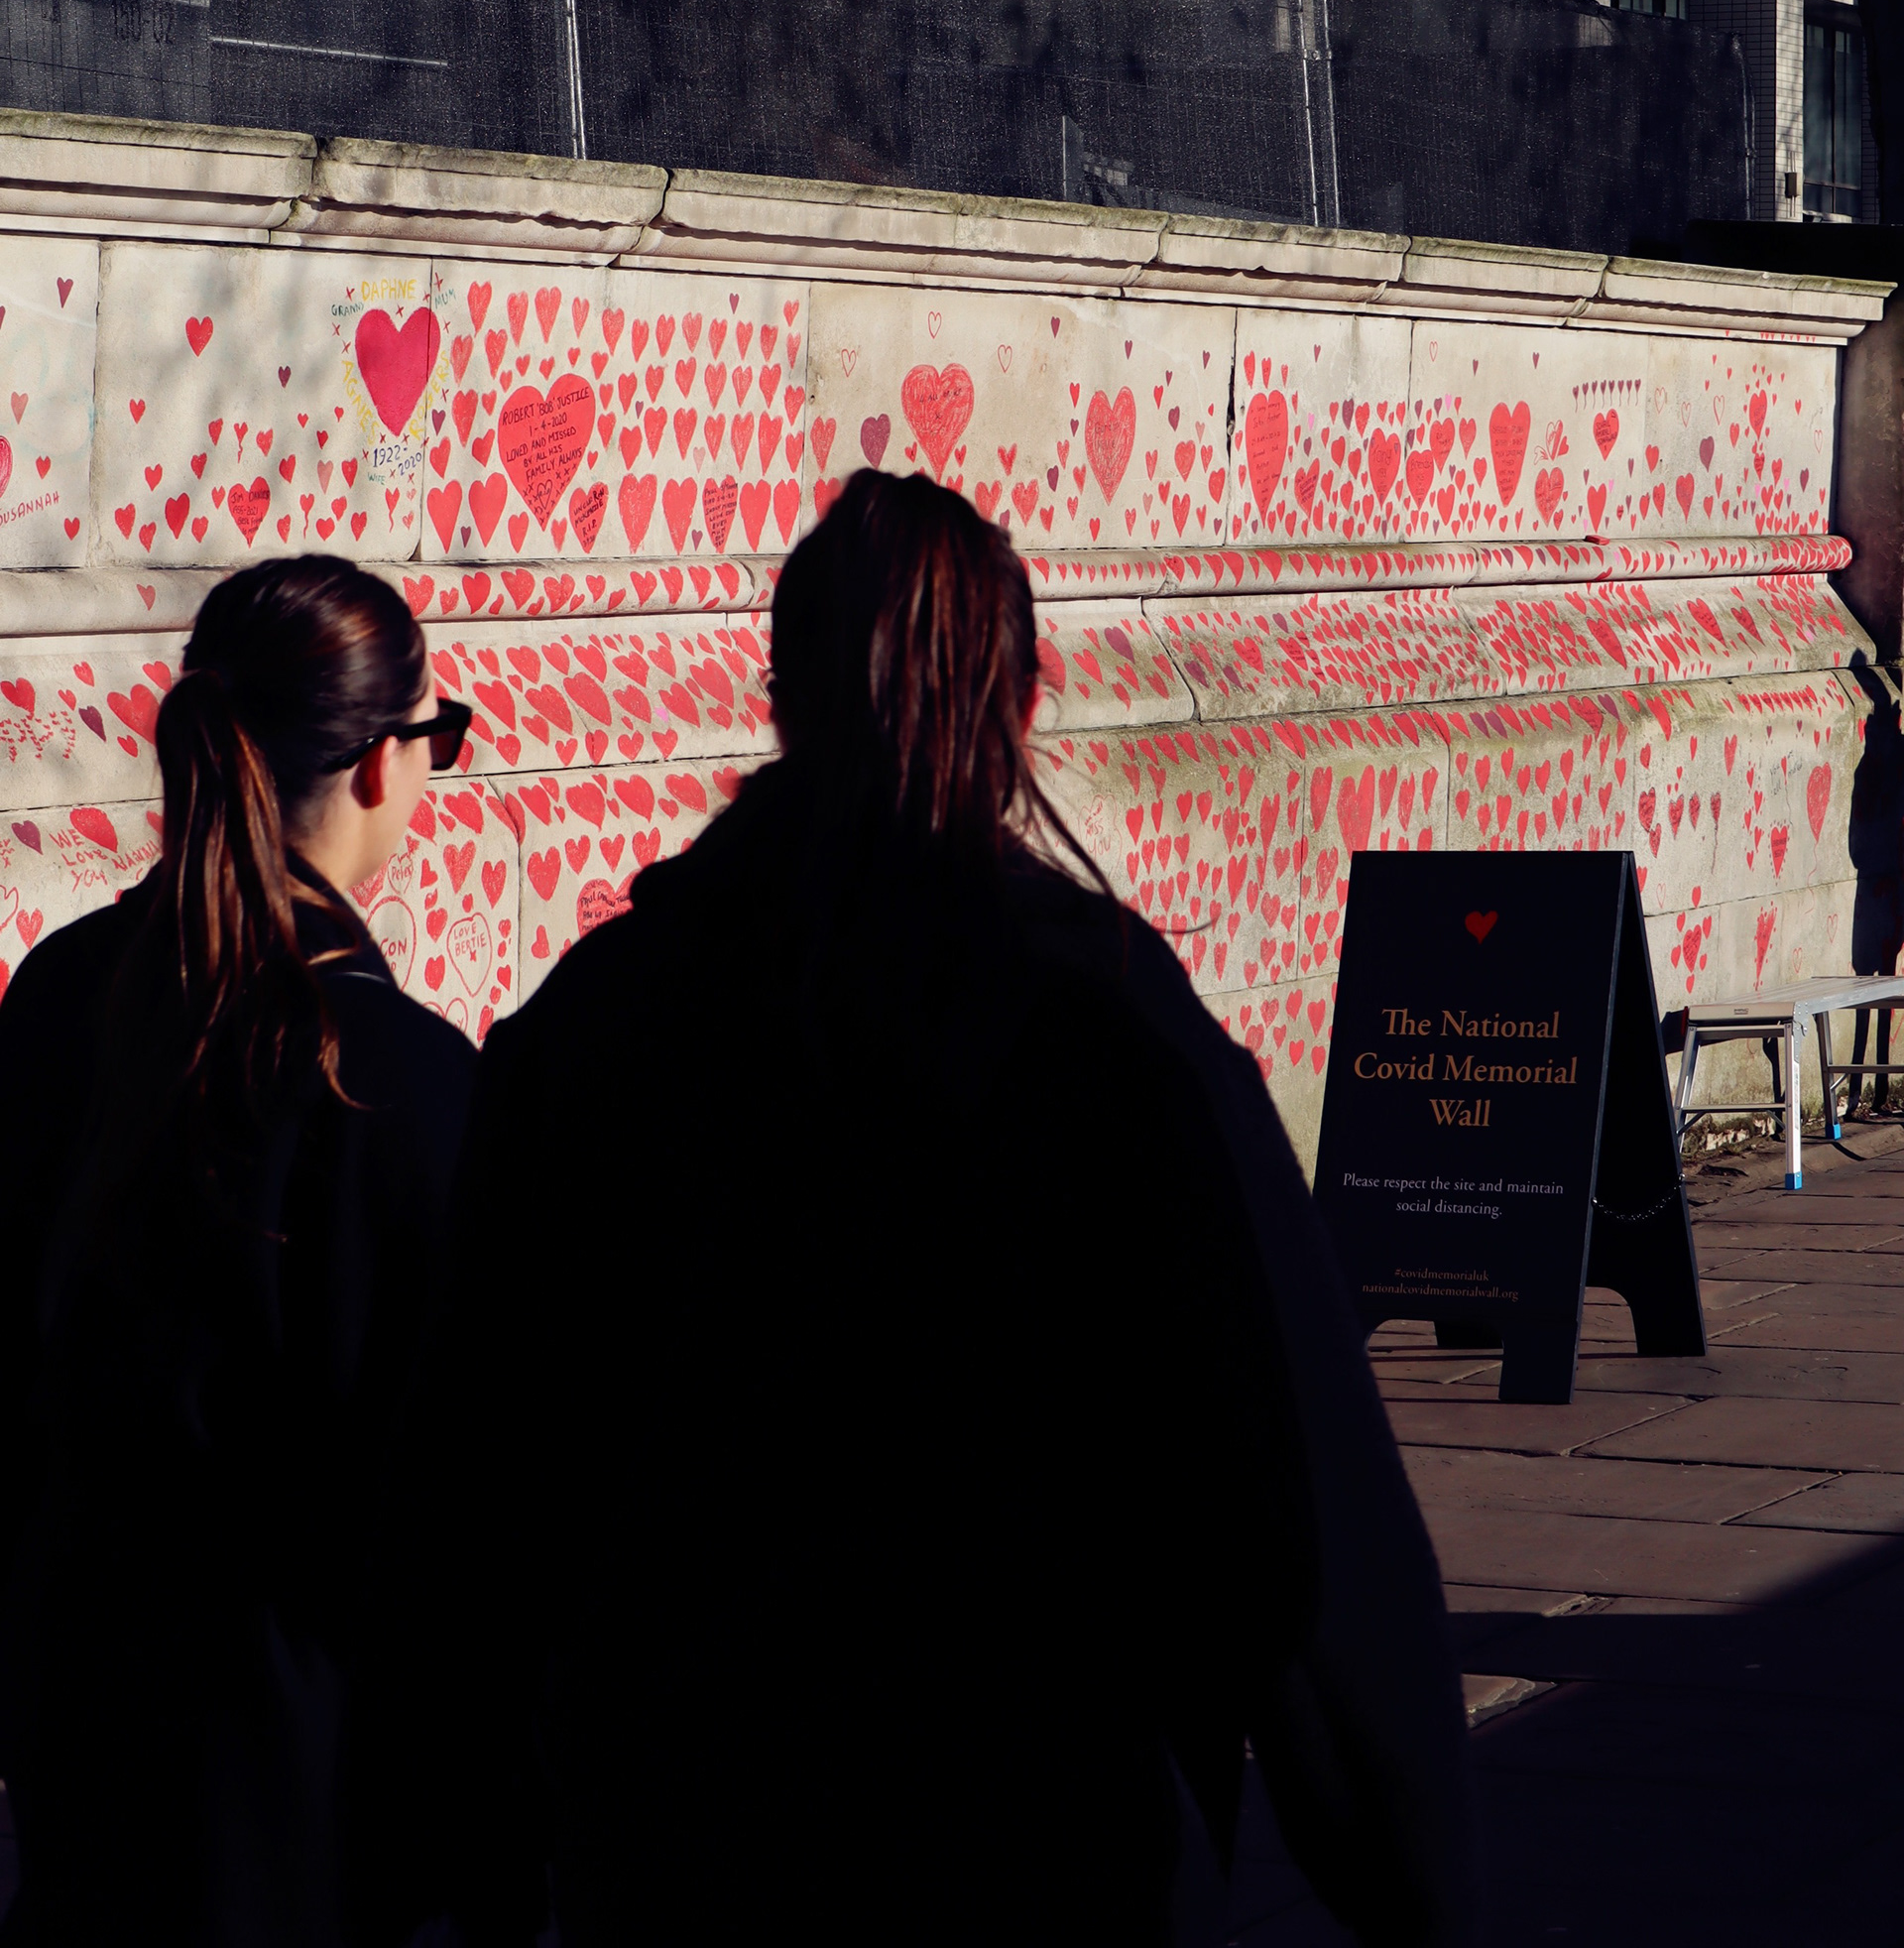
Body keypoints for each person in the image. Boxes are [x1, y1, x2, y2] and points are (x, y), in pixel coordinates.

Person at [431, 470, 1477, 1946]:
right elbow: (1282, 1490)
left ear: (777, 690)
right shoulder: (1111, 1034)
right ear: (1021, 699)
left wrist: (471, 1842)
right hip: (1027, 1823)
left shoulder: (598, 1025)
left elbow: (479, 1467)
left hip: (680, 1826)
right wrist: (1398, 1861)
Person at [0, 556, 482, 1948]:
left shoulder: (65, 998)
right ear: (385, 766)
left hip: (83, 1742)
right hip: (317, 1800)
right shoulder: (405, 1086)